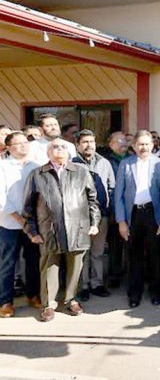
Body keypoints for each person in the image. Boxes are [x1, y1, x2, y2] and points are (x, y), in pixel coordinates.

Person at [22, 138, 100, 322]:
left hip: (78, 228)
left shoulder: (81, 171)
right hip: (48, 229)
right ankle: (48, 305)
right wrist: (32, 232)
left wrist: (94, 223)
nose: (59, 149)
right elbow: (28, 207)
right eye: (55, 147)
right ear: (48, 153)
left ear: (69, 151)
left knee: (75, 268)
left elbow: (92, 200)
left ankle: (71, 300)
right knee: (49, 268)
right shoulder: (37, 174)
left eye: (63, 147)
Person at [114, 130, 160, 308]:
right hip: (133, 214)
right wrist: (121, 221)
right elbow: (118, 195)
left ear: (152, 145)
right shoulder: (126, 163)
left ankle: (156, 292)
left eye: (147, 144)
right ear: (134, 146)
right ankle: (134, 293)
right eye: (140, 144)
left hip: (153, 213)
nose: (144, 147)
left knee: (156, 255)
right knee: (133, 255)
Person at [0, 132, 41, 318]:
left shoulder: (36, 166)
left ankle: (33, 294)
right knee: (7, 263)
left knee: (33, 261)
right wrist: (20, 219)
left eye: (25, 142)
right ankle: (5, 302)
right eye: (18, 143)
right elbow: (2, 198)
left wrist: (32, 221)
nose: (24, 146)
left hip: (33, 223)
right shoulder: (3, 166)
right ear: (9, 148)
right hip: (9, 223)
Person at [73, 130, 115, 301]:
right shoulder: (72, 164)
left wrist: (110, 210)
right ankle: (83, 286)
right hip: (79, 216)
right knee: (83, 252)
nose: (89, 145)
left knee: (98, 251)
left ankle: (97, 283)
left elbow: (111, 186)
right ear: (77, 145)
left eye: (91, 141)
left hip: (101, 214)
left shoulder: (104, 162)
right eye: (84, 142)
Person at [103, 131, 129, 289]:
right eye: (119, 140)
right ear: (111, 144)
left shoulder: (132, 159)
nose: (124, 143)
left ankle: (132, 275)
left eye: (125, 140)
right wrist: (114, 211)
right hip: (115, 209)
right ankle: (114, 275)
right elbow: (109, 188)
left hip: (132, 208)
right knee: (115, 246)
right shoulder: (107, 161)